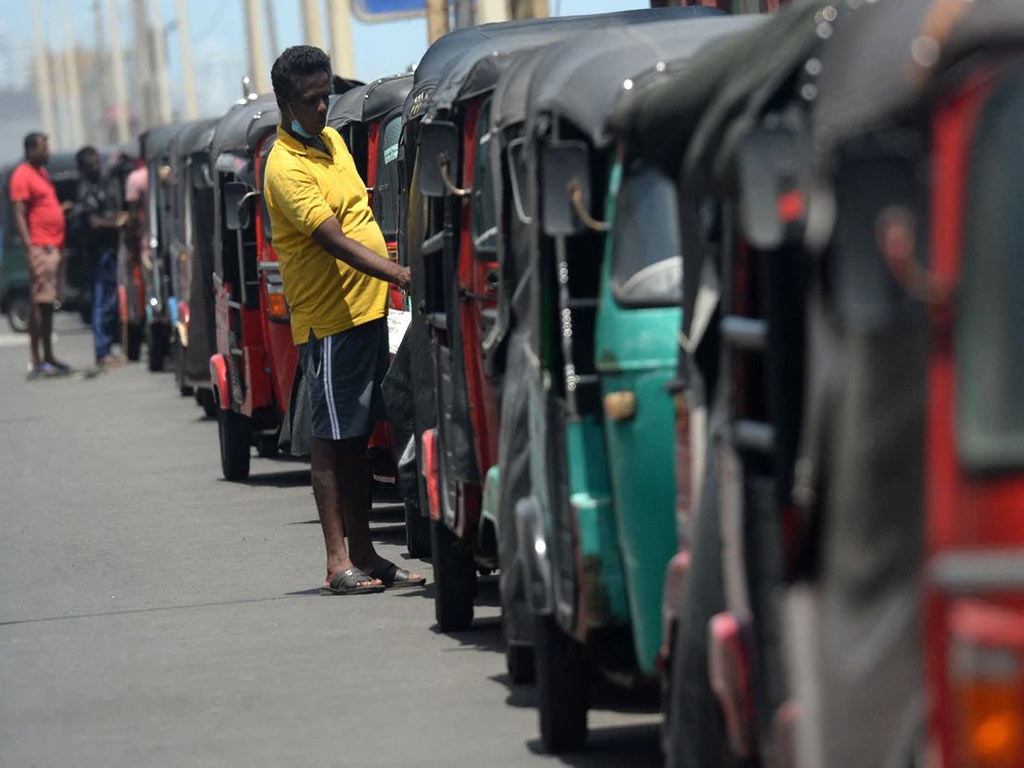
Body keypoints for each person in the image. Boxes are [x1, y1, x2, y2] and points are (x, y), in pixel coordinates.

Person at [264, 45, 423, 595]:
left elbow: (360, 215)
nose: (323, 107)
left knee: (356, 440)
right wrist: (398, 273)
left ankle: (366, 554)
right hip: (329, 321)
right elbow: (333, 239)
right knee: (332, 440)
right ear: (286, 102)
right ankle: (337, 562)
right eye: (310, 99)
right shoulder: (284, 166)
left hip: (366, 310)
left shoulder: (331, 142)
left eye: (326, 94)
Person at [9, 132, 71, 377]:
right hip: (40, 247)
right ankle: (37, 359)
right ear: (30, 150)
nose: (47, 153)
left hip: (53, 245)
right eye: (43, 149)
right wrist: (29, 247)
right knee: (40, 303)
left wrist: (59, 210)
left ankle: (49, 356)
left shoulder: (41, 174)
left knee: (48, 303)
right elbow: (19, 214)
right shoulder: (22, 176)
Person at [75, 146, 129, 368]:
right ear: (83, 168)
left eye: (97, 162)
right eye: (91, 165)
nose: (96, 167)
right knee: (102, 302)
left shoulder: (103, 183)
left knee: (111, 301)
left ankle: (107, 348)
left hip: (110, 250)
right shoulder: (86, 189)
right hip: (99, 253)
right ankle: (101, 352)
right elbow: (93, 222)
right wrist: (115, 222)